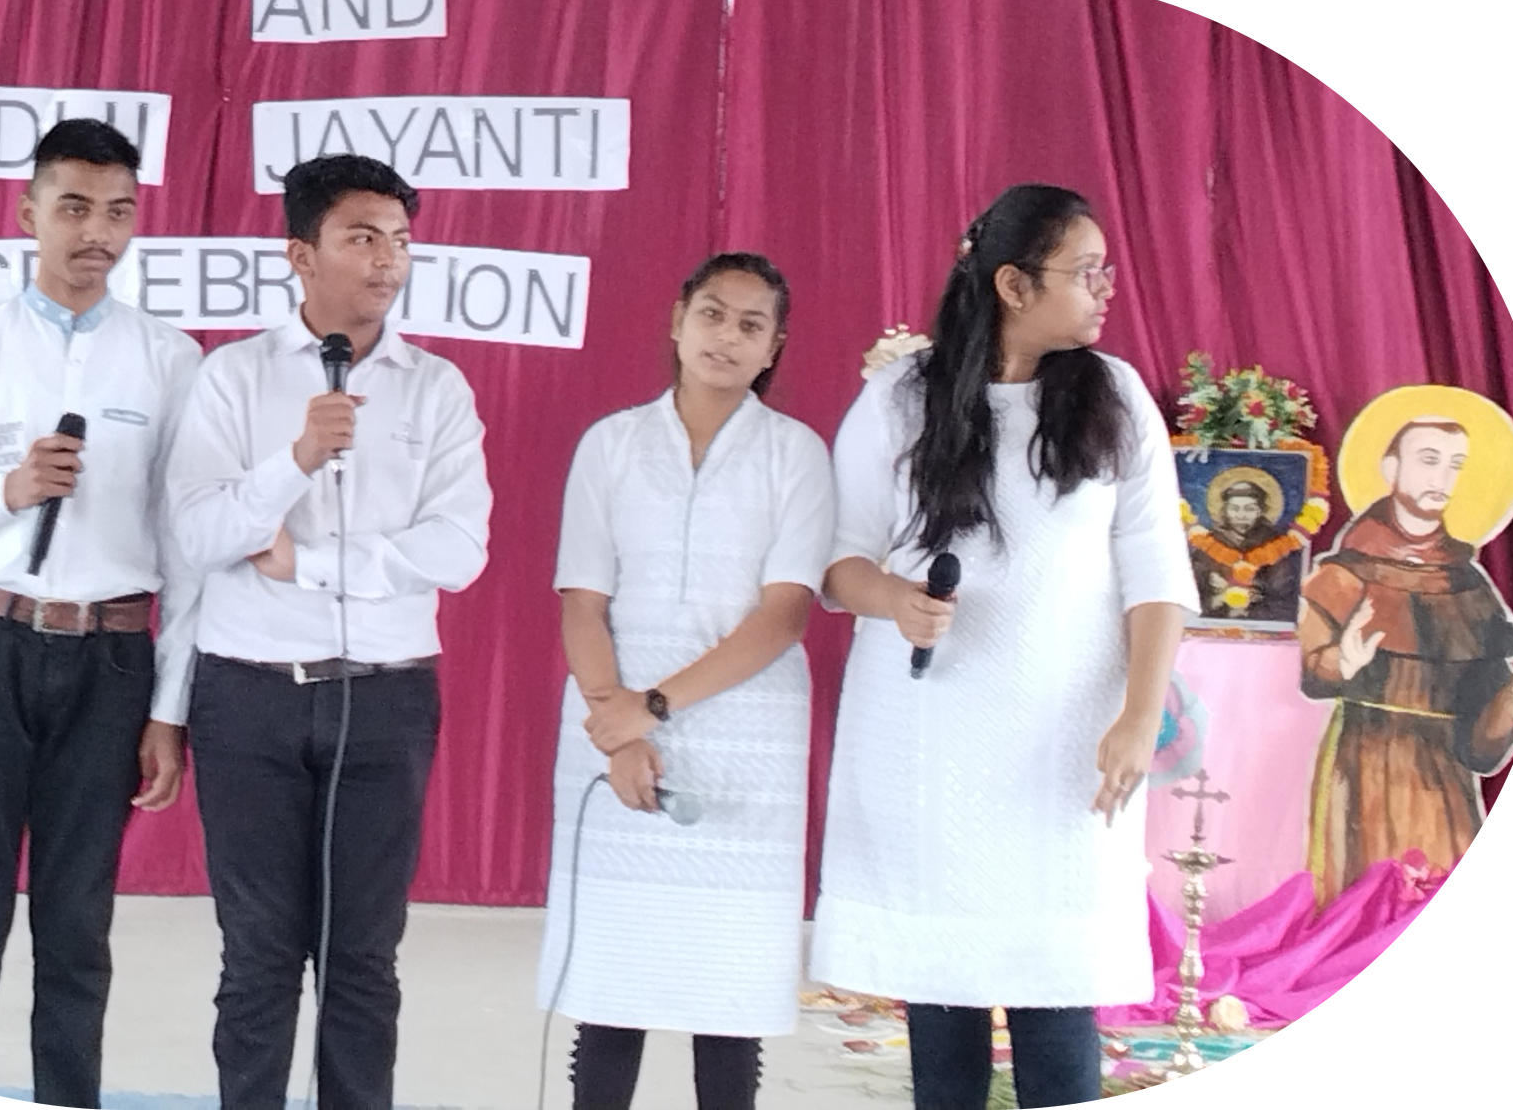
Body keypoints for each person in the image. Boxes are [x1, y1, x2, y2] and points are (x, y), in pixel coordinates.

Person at [809, 184, 1197, 1109]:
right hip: (928, 737)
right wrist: (895, 599)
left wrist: (1140, 714)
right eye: (1085, 271)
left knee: (1056, 1003)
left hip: (1066, 745)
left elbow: (1156, 572)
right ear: (1014, 284)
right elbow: (837, 560)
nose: (1106, 288)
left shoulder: (1116, 396)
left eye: (1105, 270)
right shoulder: (901, 397)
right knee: (941, 1002)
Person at [0, 118, 201, 1108]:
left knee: (76, 924)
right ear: (27, 214)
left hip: (110, 661)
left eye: (118, 212)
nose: (96, 232)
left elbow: (187, 551)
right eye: (74, 208)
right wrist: (4, 491)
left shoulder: (170, 360)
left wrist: (169, 709)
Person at [164, 153, 493, 1109]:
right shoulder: (232, 378)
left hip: (386, 697)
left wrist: (310, 564)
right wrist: (297, 458)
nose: (387, 259)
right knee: (258, 954)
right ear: (300, 255)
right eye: (361, 237)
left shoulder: (437, 388)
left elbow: (460, 548)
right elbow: (199, 532)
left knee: (362, 957)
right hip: (249, 696)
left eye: (399, 240)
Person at [535, 253, 833, 1110]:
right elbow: (582, 601)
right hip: (612, 730)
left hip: (747, 742)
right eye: (712, 314)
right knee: (611, 988)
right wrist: (618, 724)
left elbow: (784, 614)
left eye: (751, 325)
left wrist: (653, 709)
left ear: (774, 347)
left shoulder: (795, 453)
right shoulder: (612, 444)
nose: (726, 337)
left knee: (727, 993)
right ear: (677, 321)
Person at [1299, 419, 1513, 906]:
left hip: (1446, 785)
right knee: (1366, 904)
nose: (1443, 478)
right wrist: (1341, 662)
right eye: (1429, 460)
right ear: (1390, 468)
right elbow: (1309, 672)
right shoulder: (1342, 575)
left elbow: (1480, 748)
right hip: (1366, 764)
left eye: (1455, 465)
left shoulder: (1469, 585)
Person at [1190, 473, 1299, 622]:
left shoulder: (1276, 545)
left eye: (1249, 509)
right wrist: (1219, 598)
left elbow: (1286, 596)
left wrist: (1255, 593)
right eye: (1234, 508)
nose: (1241, 515)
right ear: (1225, 510)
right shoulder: (1208, 544)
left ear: (1260, 511)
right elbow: (1192, 594)